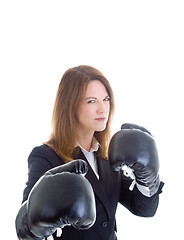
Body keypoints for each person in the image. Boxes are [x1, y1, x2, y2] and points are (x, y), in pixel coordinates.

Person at [15, 65, 164, 240]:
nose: (103, 109)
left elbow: (144, 209)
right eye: (91, 101)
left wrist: (149, 178)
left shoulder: (110, 156)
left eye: (106, 99)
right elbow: (27, 228)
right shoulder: (46, 156)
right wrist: (39, 212)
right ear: (70, 105)